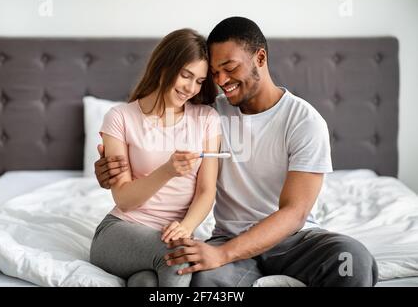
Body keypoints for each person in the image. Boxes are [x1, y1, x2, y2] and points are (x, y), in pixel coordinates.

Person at [94, 17, 378, 287]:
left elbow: (295, 212)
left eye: (230, 67)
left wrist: (223, 254)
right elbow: (158, 133)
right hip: (227, 237)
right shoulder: (211, 112)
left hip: (293, 241)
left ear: (261, 58)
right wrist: (108, 169)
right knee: (199, 280)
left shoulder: (304, 121)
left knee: (352, 261)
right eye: (215, 73)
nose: (221, 80)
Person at [89, 28, 221, 287]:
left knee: (146, 283)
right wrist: (168, 170)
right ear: (164, 66)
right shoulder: (120, 118)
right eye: (186, 75)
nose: (191, 88)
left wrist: (186, 227)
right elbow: (124, 200)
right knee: (177, 258)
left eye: (199, 81)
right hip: (119, 231)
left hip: (172, 235)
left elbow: (207, 191)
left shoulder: (207, 119)